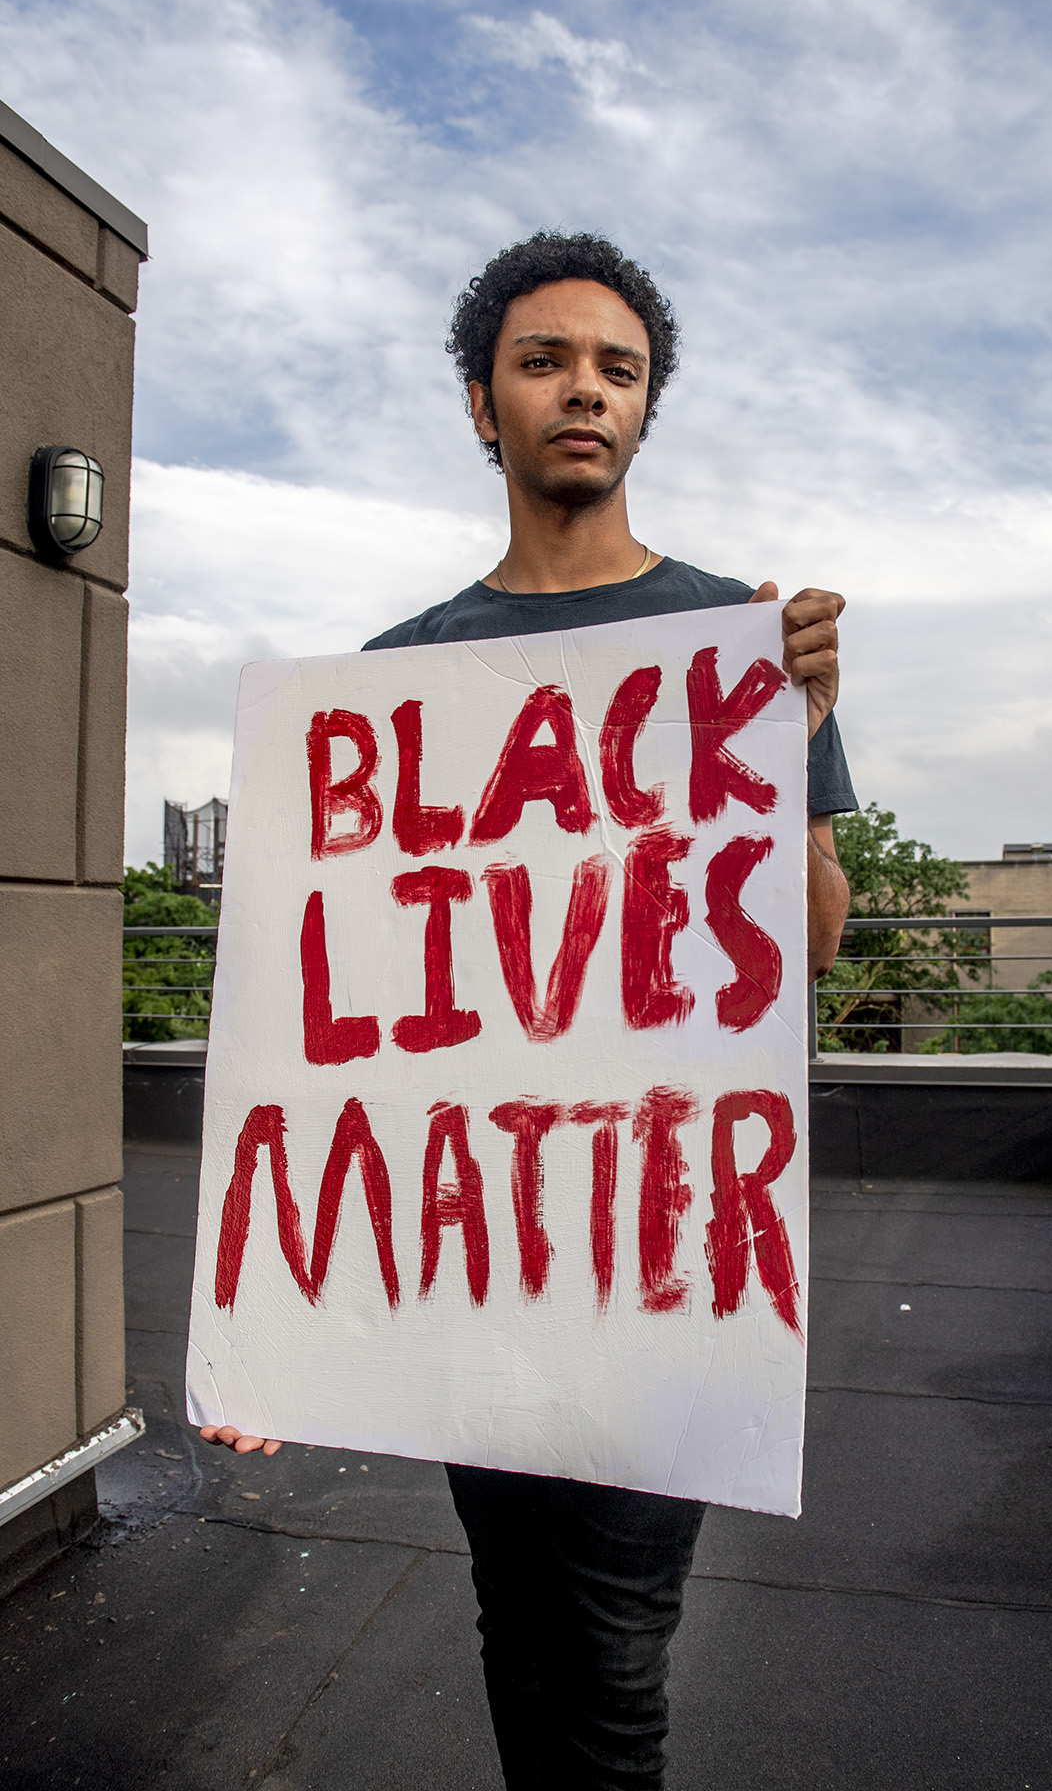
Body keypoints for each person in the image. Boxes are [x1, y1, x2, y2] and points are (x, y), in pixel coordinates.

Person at [202, 231, 856, 1789]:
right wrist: (285, 1323)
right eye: (547, 361)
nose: (584, 391)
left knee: (617, 1646)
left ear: (645, 413)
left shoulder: (739, 645)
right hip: (473, 1261)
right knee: (518, 1615)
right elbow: (335, 1004)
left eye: (618, 371)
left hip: (663, 1245)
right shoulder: (400, 675)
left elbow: (813, 945)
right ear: (483, 407)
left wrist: (797, 731)